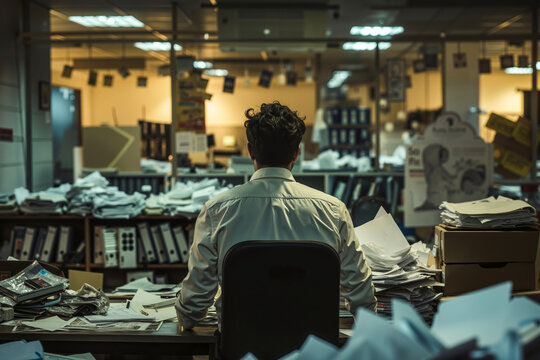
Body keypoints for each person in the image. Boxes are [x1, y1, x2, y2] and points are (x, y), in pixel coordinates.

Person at [175, 101, 376, 330]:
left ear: (250, 151)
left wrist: (185, 315)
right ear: (296, 153)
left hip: (240, 348)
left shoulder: (216, 211)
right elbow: (362, 295)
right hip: (315, 348)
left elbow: (192, 308)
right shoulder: (334, 211)